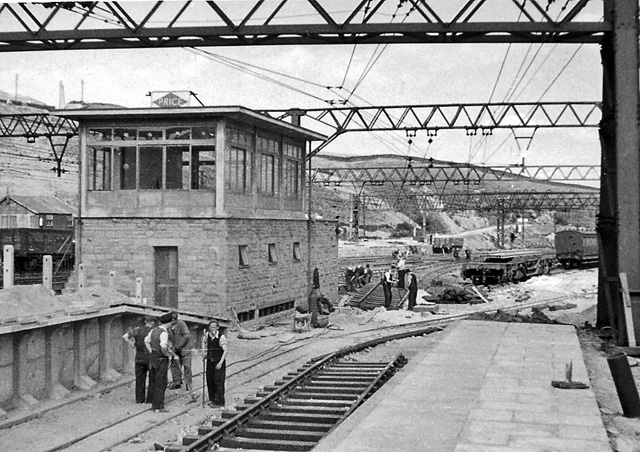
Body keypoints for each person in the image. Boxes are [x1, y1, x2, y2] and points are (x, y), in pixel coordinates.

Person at [145, 312, 177, 413]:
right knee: (161, 381)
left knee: (153, 380)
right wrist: (167, 354)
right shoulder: (164, 333)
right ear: (168, 323)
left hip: (153, 358)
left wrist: (151, 350)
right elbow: (163, 346)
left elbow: (146, 341)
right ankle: (158, 406)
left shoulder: (154, 330)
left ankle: (153, 403)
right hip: (161, 359)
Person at [122, 315, 156, 404]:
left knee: (140, 379)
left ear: (145, 321)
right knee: (152, 378)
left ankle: (139, 400)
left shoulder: (137, 329)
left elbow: (125, 336)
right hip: (150, 358)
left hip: (139, 358)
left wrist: (132, 344)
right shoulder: (153, 331)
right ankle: (150, 399)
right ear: (153, 322)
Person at [202, 319, 228, 407]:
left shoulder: (221, 337)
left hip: (218, 361)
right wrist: (205, 353)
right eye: (211, 327)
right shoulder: (207, 335)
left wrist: (220, 363)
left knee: (218, 381)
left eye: (214, 327)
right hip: (210, 361)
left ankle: (219, 402)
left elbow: (225, 351)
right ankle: (212, 399)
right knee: (210, 380)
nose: (212, 329)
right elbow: (205, 344)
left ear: (217, 328)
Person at [168, 312, 194, 397]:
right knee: (174, 365)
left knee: (187, 366)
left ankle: (188, 384)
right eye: (171, 319)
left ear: (176, 319)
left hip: (185, 348)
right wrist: (171, 346)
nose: (172, 321)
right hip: (175, 349)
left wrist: (178, 345)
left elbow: (186, 336)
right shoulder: (168, 326)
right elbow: (168, 337)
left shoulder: (181, 324)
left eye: (174, 319)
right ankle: (177, 382)